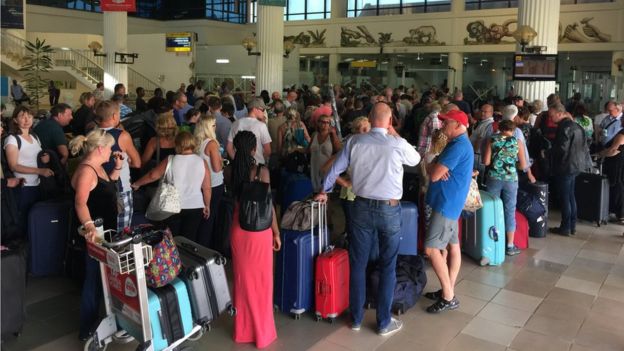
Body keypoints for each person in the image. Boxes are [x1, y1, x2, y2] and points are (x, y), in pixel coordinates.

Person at [315, 102, 420, 336]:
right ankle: (383, 322)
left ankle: (356, 318)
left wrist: (325, 190)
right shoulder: (397, 143)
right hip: (389, 210)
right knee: (388, 265)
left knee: (358, 264)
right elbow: (415, 160)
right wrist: (396, 134)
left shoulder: (354, 141)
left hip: (360, 206)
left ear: (371, 119)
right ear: (390, 120)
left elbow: (334, 170)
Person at [228, 130, 280, 349]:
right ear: (253, 148)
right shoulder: (261, 171)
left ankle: (243, 331)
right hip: (259, 231)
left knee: (242, 282)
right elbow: (268, 207)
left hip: (239, 229)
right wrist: (276, 233)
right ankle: (262, 332)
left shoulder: (230, 170)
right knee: (262, 282)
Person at [69, 129, 122, 341]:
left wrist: (117, 168)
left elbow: (107, 187)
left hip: (106, 231)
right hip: (96, 235)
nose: (111, 152)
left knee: (101, 277)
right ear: (100, 148)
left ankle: (103, 319)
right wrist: (90, 227)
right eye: (109, 148)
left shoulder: (97, 167)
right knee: (93, 278)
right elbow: (80, 202)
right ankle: (87, 327)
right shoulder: (87, 171)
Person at [422, 109, 473, 314]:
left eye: (446, 123)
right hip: (450, 203)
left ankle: (449, 297)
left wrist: (433, 165)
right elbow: (434, 169)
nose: (442, 126)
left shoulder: (458, 146)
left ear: (459, 125)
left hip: (446, 204)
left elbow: (433, 174)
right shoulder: (456, 144)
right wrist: (435, 166)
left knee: (431, 249)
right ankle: (448, 288)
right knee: (453, 246)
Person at [132, 131, 211, 240]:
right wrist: (207, 205)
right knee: (189, 239)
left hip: (172, 207)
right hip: (196, 206)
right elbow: (206, 188)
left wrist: (137, 183)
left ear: (177, 144)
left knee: (171, 238)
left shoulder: (170, 160)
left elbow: (152, 175)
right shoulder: (202, 162)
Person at [3, 106, 54, 235]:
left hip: (37, 184)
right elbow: (13, 166)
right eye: (22, 116)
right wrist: (39, 171)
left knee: (34, 220)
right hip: (23, 186)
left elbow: (37, 156)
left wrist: (46, 159)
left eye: (30, 116)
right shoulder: (12, 139)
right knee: (22, 220)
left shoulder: (35, 137)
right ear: (15, 119)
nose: (27, 119)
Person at [483, 119, 528, 256]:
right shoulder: (517, 142)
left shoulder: (492, 140)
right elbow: (523, 165)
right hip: (511, 179)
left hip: (494, 178)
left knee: (492, 208)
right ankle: (509, 245)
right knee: (510, 210)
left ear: (499, 128)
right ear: (513, 130)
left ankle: (491, 241)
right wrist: (514, 166)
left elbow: (486, 161)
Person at [95, 100, 141, 232]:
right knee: (122, 231)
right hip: (119, 188)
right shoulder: (122, 135)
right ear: (115, 116)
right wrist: (124, 162)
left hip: (98, 186)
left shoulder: (91, 134)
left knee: (102, 228)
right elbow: (137, 163)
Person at [549, 102, 590, 236]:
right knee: (571, 196)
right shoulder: (576, 126)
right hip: (576, 165)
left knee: (565, 197)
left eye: (552, 115)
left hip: (565, 166)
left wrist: (548, 151)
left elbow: (561, 148)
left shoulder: (564, 127)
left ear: (560, 114)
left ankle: (565, 227)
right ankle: (572, 225)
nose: (551, 118)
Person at [195, 115, 225, 248]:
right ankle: (206, 249)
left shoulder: (195, 142)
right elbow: (217, 168)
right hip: (213, 184)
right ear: (208, 128)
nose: (216, 127)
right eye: (213, 125)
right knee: (210, 219)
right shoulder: (212, 143)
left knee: (202, 219)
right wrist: (222, 161)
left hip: (199, 184)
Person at [226, 98, 271, 165]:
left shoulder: (236, 123)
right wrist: (260, 162)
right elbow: (268, 150)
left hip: (240, 166)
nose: (264, 113)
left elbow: (229, 148)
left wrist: (237, 161)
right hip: (257, 166)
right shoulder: (261, 126)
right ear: (255, 109)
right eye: (263, 110)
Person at [600, 119, 624, 224]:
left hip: (617, 164)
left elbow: (614, 150)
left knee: (617, 185)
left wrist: (601, 154)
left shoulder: (622, 134)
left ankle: (620, 213)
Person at [309, 114, 342, 192]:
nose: (325, 124)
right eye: (323, 122)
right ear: (318, 123)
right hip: (315, 168)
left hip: (327, 168)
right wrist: (296, 149)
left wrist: (333, 134)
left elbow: (339, 151)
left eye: (328, 122)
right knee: (316, 192)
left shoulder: (331, 136)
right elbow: (308, 149)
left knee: (326, 193)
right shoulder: (314, 135)